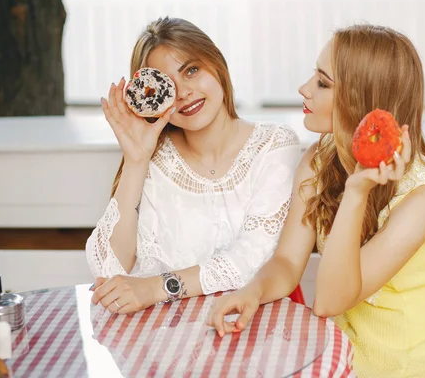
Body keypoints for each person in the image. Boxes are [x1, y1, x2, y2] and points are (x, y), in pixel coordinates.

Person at [207, 24, 425, 377]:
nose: (304, 89)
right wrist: (253, 291)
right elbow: (287, 262)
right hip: (352, 356)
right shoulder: (317, 161)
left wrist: (356, 192)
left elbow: (329, 301)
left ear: (362, 101)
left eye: (323, 83)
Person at [85, 16, 301, 315]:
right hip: (168, 338)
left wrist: (156, 287)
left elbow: (254, 255)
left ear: (217, 65)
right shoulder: (155, 160)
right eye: (168, 85)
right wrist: (136, 161)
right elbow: (109, 270)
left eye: (192, 70)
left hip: (257, 327)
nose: (184, 92)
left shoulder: (274, 145)